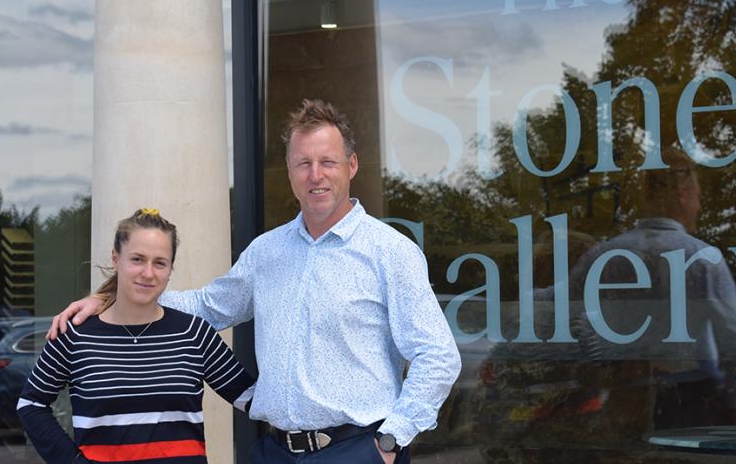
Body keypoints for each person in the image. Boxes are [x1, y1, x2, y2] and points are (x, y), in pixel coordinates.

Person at [48, 99, 462, 463]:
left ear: (351, 166)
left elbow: (437, 356)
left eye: (328, 162)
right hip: (274, 452)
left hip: (356, 450)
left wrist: (390, 441)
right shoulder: (267, 252)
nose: (316, 175)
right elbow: (208, 306)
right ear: (289, 170)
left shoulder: (389, 251)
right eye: (304, 163)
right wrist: (111, 301)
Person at [19, 209, 256, 463]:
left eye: (160, 262)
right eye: (137, 259)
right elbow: (30, 405)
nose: (148, 273)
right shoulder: (75, 333)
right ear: (115, 259)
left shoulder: (194, 334)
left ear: (170, 269)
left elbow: (253, 400)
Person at [568, 149, 736, 428]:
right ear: (683, 193)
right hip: (692, 407)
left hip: (624, 401)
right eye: (699, 198)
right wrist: (734, 403)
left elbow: (554, 310)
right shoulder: (703, 259)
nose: (699, 207)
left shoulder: (602, 255)